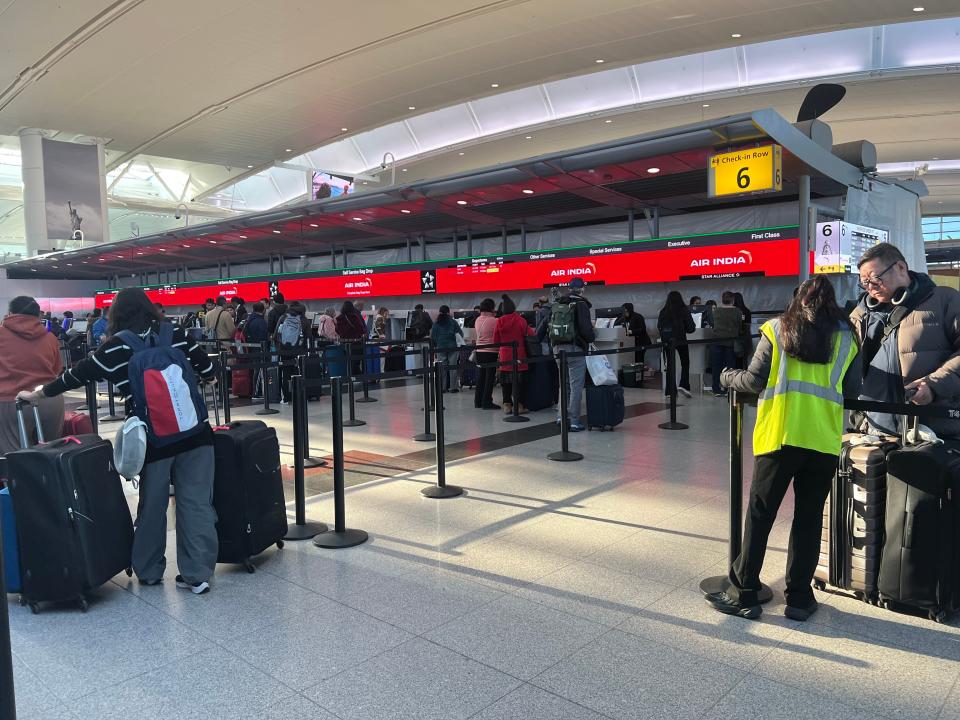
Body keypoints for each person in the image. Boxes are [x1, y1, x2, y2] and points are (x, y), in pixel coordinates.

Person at [17, 289, 219, 595]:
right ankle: (198, 574)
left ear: (116, 314)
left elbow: (76, 375)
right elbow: (208, 371)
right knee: (197, 503)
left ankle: (150, 571)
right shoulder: (175, 332)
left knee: (152, 505)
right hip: (196, 434)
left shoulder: (116, 347)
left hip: (154, 439)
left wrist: (38, 395)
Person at [710, 275, 860, 621]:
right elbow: (852, 390)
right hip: (821, 440)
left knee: (761, 515)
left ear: (796, 300)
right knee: (808, 519)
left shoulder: (777, 329)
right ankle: (799, 599)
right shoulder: (847, 338)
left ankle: (745, 592)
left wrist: (725, 376)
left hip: (779, 437)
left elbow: (752, 380)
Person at [851, 242, 960, 438]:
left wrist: (934, 385)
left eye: (875, 278)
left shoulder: (946, 300)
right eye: (864, 282)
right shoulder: (860, 314)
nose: (870, 288)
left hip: (932, 433)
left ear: (901, 267)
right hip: (873, 431)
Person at [0, 296, 64, 454]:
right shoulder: (50, 338)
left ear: (10, 313)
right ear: (39, 315)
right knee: (50, 455)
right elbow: (57, 370)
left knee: (16, 458)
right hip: (49, 399)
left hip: (11, 402)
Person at [549, 278, 595, 431]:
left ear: (569, 288)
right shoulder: (581, 304)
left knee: (564, 384)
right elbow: (586, 330)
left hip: (557, 349)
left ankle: (561, 417)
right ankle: (574, 420)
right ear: (582, 289)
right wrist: (592, 337)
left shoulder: (558, 302)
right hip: (575, 349)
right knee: (576, 385)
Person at [493, 294, 534, 414]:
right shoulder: (520, 320)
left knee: (505, 382)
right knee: (520, 382)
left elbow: (496, 340)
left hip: (505, 355)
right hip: (519, 355)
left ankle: (507, 405)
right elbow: (530, 334)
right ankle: (520, 405)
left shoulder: (499, 321)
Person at [657, 291, 695, 397]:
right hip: (681, 339)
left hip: (668, 341)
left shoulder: (664, 311)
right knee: (685, 362)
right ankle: (684, 385)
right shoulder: (683, 310)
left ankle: (670, 390)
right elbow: (691, 328)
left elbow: (659, 326)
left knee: (670, 365)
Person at [275, 301, 312, 404]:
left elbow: (276, 335)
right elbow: (309, 337)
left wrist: (280, 348)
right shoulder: (304, 320)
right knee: (300, 373)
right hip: (300, 352)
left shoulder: (283, 318)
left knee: (285, 374)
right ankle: (301, 396)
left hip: (285, 352)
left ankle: (286, 398)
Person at [710, 292, 743, 397]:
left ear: (722, 300)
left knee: (716, 366)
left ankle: (716, 388)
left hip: (717, 341)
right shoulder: (737, 311)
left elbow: (712, 324)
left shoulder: (716, 311)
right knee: (730, 367)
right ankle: (729, 388)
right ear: (732, 300)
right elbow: (740, 326)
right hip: (731, 342)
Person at [430, 305, 464, 392]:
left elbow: (432, 336)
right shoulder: (453, 322)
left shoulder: (436, 323)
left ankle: (442, 387)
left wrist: (435, 345)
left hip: (440, 348)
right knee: (453, 368)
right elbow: (460, 334)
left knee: (442, 368)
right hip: (452, 347)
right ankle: (453, 388)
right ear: (448, 312)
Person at [474, 298, 499, 409]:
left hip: (479, 351)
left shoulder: (478, 319)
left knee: (481, 377)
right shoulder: (494, 320)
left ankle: (478, 401)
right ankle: (487, 402)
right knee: (489, 378)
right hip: (491, 352)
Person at [336, 301, 367, 373]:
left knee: (349, 361)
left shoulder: (339, 318)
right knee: (355, 362)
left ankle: (349, 378)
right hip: (355, 343)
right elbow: (361, 329)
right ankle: (357, 378)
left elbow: (337, 330)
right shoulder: (353, 317)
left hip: (344, 343)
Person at [732, 292, 753, 368]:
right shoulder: (747, 311)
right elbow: (748, 326)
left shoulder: (733, 311)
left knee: (735, 362)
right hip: (746, 337)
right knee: (744, 362)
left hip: (735, 339)